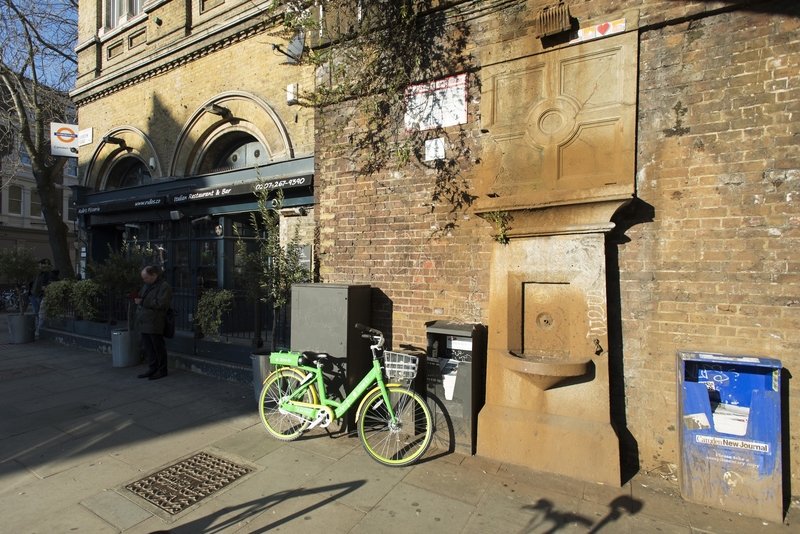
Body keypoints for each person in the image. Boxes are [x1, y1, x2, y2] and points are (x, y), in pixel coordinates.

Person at [133, 265, 173, 380]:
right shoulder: (147, 286)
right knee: (148, 346)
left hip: (155, 320)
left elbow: (162, 304)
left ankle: (162, 369)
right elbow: (142, 298)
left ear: (154, 275)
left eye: (146, 278)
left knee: (157, 346)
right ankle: (152, 368)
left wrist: (143, 301)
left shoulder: (164, 286)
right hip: (144, 319)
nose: (144, 280)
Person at [29, 259, 57, 339]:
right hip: (33, 296)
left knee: (41, 314)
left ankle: (39, 329)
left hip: (40, 296)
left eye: (40, 265)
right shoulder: (36, 274)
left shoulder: (46, 274)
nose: (38, 267)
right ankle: (39, 328)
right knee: (37, 313)